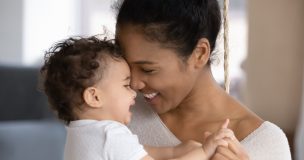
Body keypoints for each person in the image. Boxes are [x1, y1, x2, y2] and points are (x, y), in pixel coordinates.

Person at [115, 0, 292, 159]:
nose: (133, 83)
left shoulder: (264, 143)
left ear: (199, 53)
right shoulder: (116, 112)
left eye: (148, 69)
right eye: (127, 65)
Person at [40, 36, 236, 160]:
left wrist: (179, 150)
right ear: (94, 96)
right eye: (125, 85)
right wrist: (204, 152)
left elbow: (140, 151)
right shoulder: (110, 134)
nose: (134, 91)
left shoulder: (81, 135)